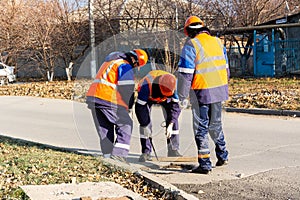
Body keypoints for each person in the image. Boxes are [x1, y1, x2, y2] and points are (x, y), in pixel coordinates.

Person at [177, 16, 230, 174]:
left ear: (188, 32)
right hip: (219, 90)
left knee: (201, 128)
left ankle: (205, 164)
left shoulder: (191, 45)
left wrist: (182, 97)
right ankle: (223, 155)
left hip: (201, 92)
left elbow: (185, 74)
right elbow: (226, 70)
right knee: (215, 125)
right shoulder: (218, 42)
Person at [86, 49, 148, 163]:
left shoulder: (111, 62)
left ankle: (108, 156)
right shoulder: (124, 65)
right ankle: (119, 155)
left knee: (105, 128)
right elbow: (127, 88)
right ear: (134, 60)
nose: (136, 68)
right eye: (137, 65)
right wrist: (129, 105)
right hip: (107, 98)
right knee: (125, 124)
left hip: (94, 98)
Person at [135, 70, 182, 162]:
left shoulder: (173, 85)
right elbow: (140, 107)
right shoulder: (146, 84)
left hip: (166, 100)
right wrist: (144, 124)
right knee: (146, 124)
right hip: (148, 98)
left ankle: (173, 149)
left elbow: (175, 108)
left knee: (174, 121)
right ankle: (146, 152)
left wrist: (171, 124)